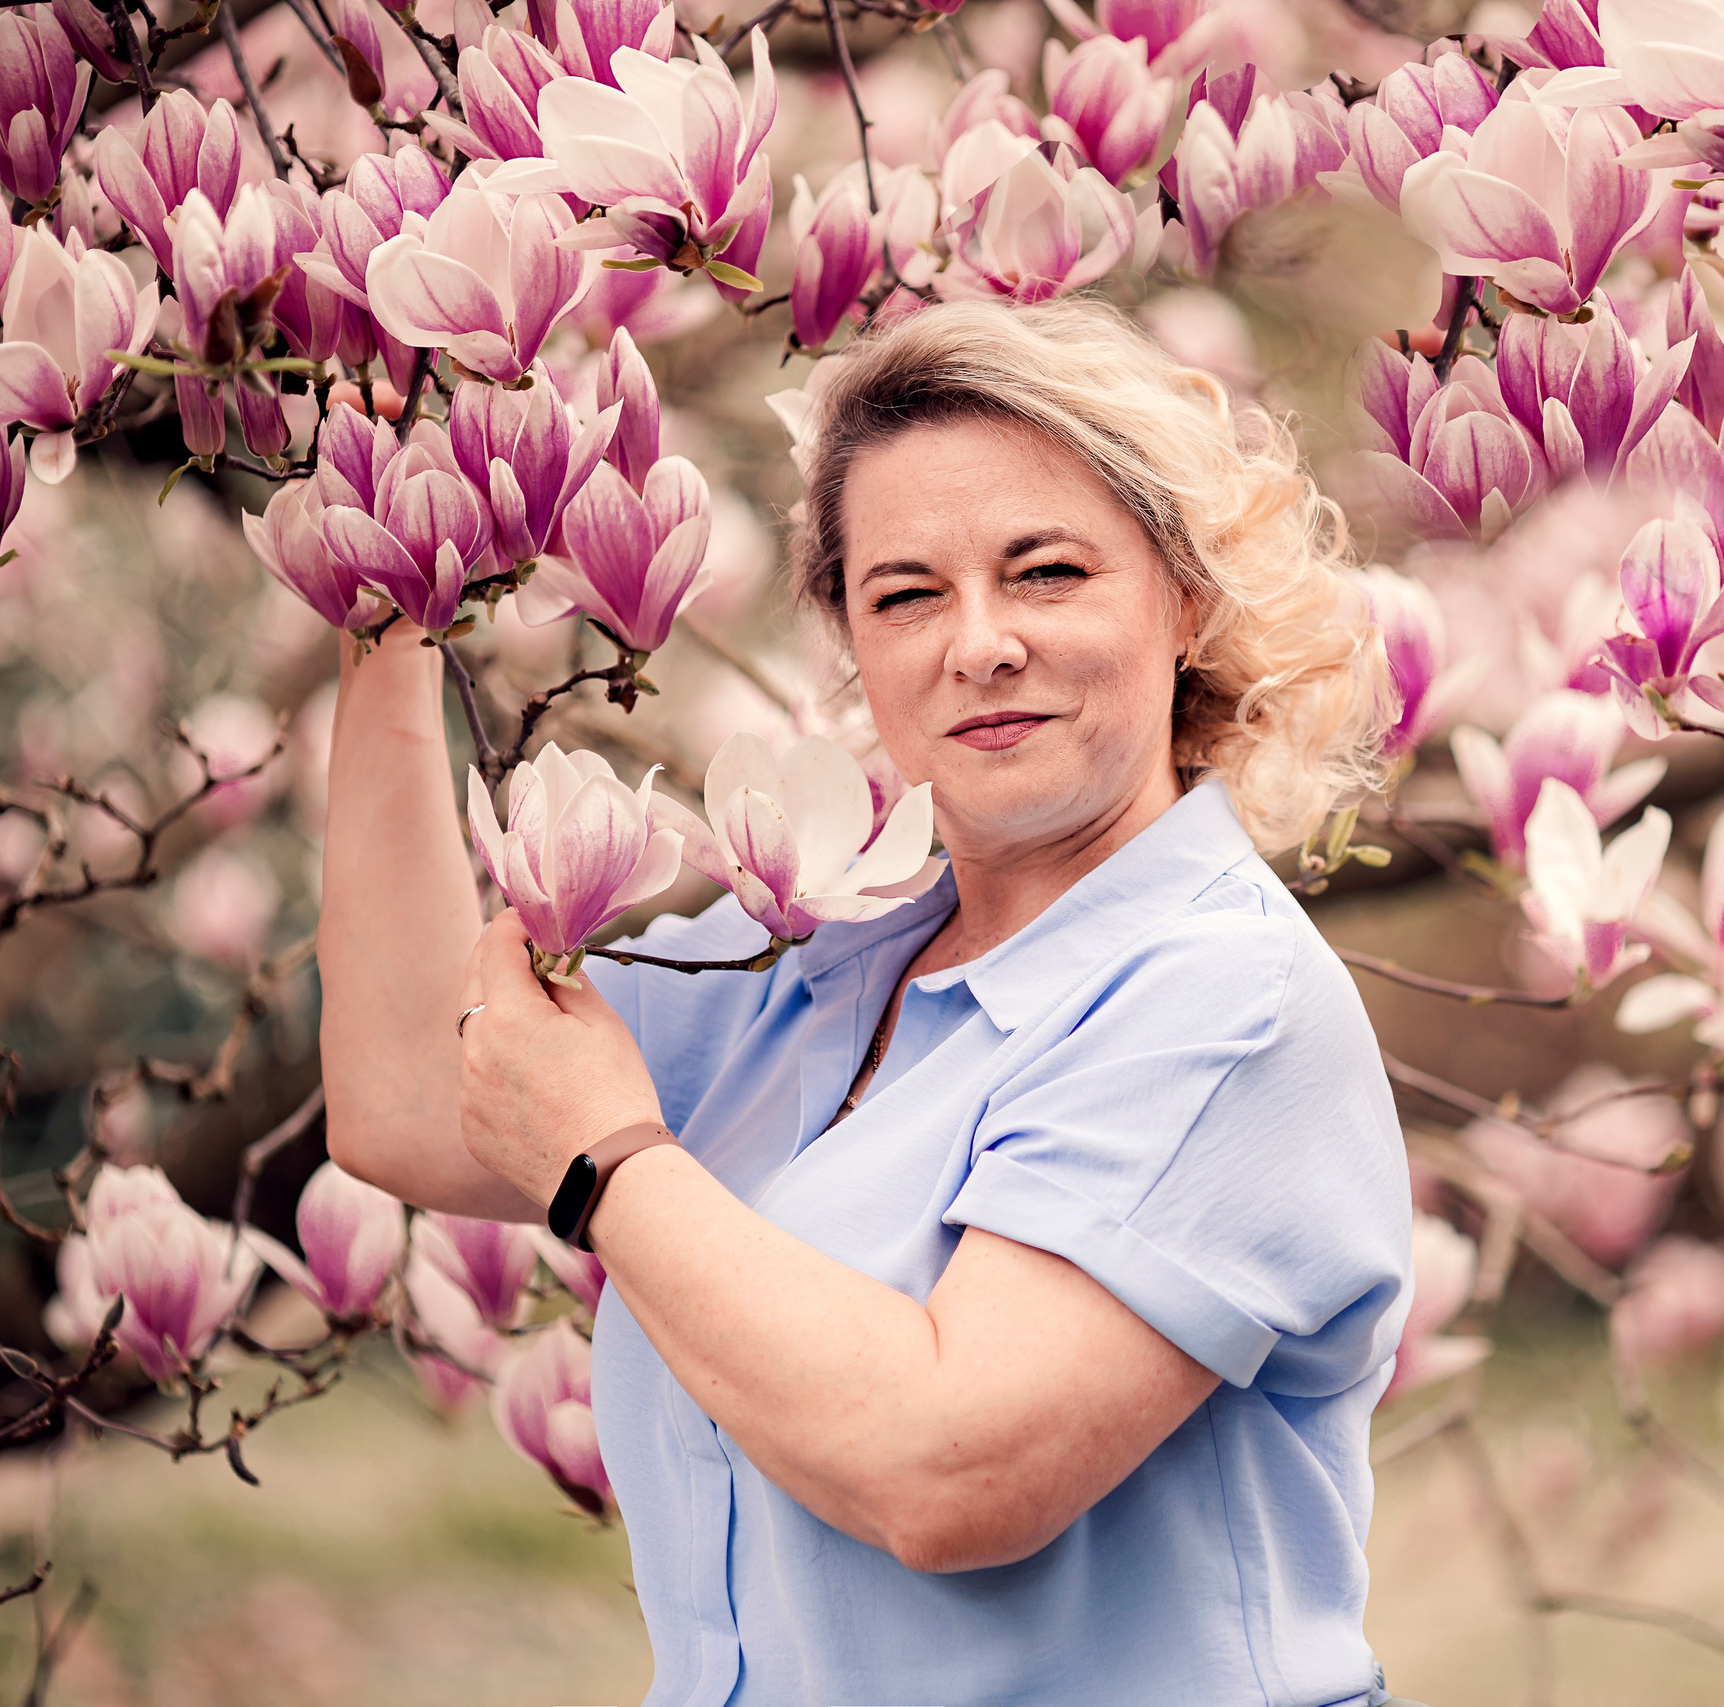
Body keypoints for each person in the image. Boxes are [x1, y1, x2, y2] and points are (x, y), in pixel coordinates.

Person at [320, 298, 1415, 1707]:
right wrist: (388, 609)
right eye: (906, 595)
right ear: (854, 644)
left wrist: (609, 1166)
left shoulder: (1226, 999)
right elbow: (414, 1094)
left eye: (1047, 573)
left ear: (1183, 600)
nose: (980, 644)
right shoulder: (804, 961)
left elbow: (952, 1468)